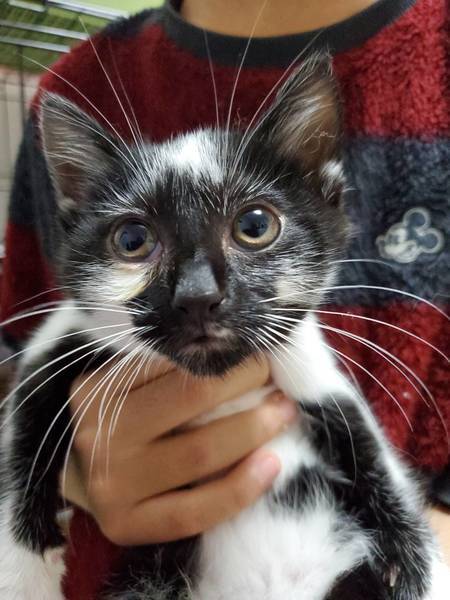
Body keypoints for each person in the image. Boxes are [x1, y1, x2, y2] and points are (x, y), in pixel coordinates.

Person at [1, 0, 448, 597]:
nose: (198, 294)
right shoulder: (80, 82)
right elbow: (18, 358)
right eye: (134, 242)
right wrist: (63, 475)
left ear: (326, 193)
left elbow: (357, 447)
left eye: (254, 228)